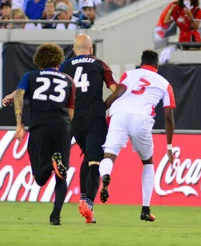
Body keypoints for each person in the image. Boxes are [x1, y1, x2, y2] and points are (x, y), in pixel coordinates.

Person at [98, 50, 175, 222]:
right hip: (142, 118)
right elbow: (169, 116)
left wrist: (101, 109)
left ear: (141, 63)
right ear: (157, 65)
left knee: (109, 155)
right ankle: (145, 209)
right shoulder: (164, 83)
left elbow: (118, 93)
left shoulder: (130, 74)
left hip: (119, 115)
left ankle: (105, 176)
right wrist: (169, 146)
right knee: (147, 162)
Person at [5, 43, 76, 226]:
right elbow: (70, 112)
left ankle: (51, 165)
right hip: (62, 126)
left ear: (38, 62)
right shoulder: (68, 79)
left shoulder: (30, 76)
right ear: (58, 61)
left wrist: (19, 123)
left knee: (39, 179)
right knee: (62, 175)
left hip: (39, 127)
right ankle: (55, 216)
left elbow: (20, 95)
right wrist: (67, 130)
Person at [56, 35, 117, 223]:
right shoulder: (100, 64)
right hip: (94, 117)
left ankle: (84, 200)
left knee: (87, 157)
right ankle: (88, 202)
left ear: (75, 50)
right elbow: (115, 89)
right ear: (91, 49)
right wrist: (105, 105)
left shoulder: (65, 66)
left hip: (74, 120)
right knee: (95, 162)